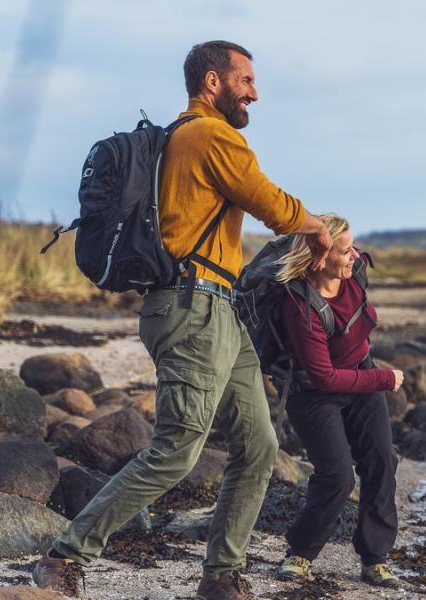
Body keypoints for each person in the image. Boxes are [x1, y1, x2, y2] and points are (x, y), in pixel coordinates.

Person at [33, 41, 332, 600]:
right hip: (192, 308)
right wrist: (317, 228)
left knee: (260, 445)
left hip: (218, 308)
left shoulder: (183, 138)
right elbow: (268, 201)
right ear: (213, 82)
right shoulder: (209, 135)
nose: (255, 91)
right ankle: (63, 555)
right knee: (177, 448)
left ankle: (221, 575)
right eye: (246, 79)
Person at [273, 213, 404, 589]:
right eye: (345, 251)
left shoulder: (355, 268)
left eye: (352, 248)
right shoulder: (300, 305)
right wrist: (385, 378)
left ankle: (374, 559)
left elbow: (357, 260)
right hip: (313, 393)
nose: (354, 256)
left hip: (360, 376)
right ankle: (300, 552)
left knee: (382, 460)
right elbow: (324, 377)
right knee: (338, 475)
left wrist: (370, 376)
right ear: (319, 255)